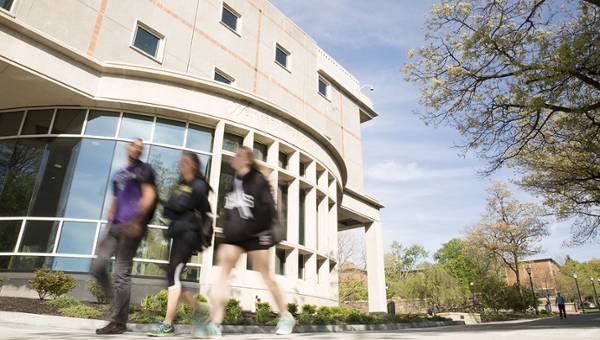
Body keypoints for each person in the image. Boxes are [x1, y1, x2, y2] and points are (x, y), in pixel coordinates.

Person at [193, 146, 295, 338]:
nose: (234, 157)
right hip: (237, 238)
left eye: (238, 155)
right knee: (222, 274)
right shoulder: (234, 183)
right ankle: (215, 323)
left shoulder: (256, 179)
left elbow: (267, 212)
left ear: (248, 159)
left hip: (258, 235)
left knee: (266, 277)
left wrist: (255, 231)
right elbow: (232, 213)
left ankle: (286, 315)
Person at [91, 139, 157, 335]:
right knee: (98, 267)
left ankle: (119, 321)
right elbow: (114, 204)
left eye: (141, 147)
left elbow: (149, 195)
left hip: (131, 228)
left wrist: (138, 221)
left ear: (141, 152)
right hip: (115, 228)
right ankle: (116, 302)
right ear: (127, 148)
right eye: (134, 145)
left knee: (121, 273)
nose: (137, 148)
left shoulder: (145, 169)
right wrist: (106, 230)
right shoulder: (119, 175)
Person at [147, 151, 212, 337]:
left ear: (193, 165)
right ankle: (197, 307)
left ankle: (168, 324)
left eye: (184, 162)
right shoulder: (182, 185)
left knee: (173, 274)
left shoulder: (199, 184)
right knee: (172, 275)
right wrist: (162, 200)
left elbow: (183, 205)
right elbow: (170, 210)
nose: (180, 165)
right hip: (179, 232)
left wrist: (178, 206)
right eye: (180, 162)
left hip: (190, 234)